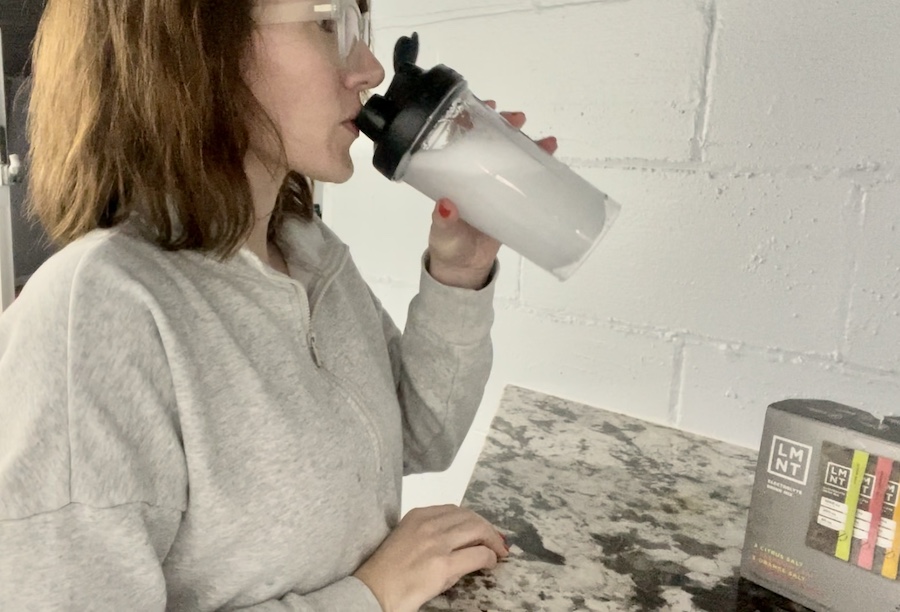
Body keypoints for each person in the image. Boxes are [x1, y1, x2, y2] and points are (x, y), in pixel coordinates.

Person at [0, 0, 557, 610]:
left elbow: (420, 439)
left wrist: (460, 269)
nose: (369, 69)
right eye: (328, 24)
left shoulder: (312, 254)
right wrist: (369, 595)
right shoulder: (100, 314)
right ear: (192, 48)